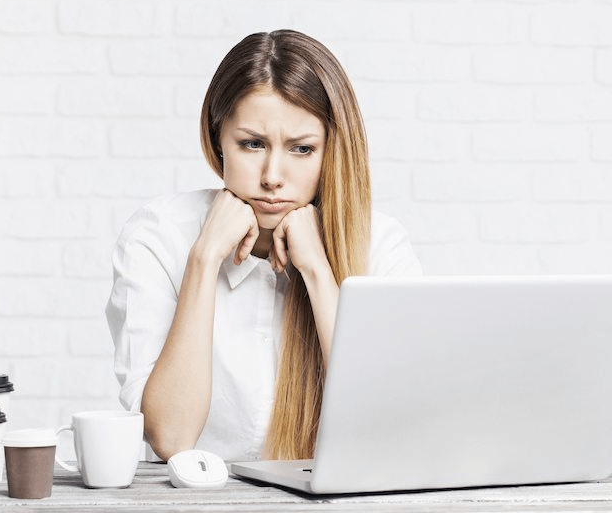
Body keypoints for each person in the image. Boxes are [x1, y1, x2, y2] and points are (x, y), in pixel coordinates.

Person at [106, 29, 421, 463]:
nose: (273, 175)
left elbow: (390, 429)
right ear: (219, 140)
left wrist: (316, 273)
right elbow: (171, 438)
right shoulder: (158, 236)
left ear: (331, 151)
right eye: (252, 144)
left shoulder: (380, 243)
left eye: (302, 149)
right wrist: (203, 259)